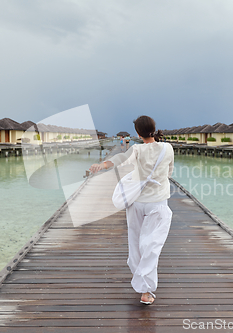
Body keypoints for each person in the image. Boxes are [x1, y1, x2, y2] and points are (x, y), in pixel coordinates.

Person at [89, 116, 174, 305]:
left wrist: (101, 165)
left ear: (137, 133)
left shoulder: (136, 149)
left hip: (137, 201)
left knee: (135, 243)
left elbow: (118, 159)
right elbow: (169, 173)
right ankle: (146, 291)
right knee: (151, 246)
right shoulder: (167, 148)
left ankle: (143, 285)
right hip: (158, 202)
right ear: (154, 129)